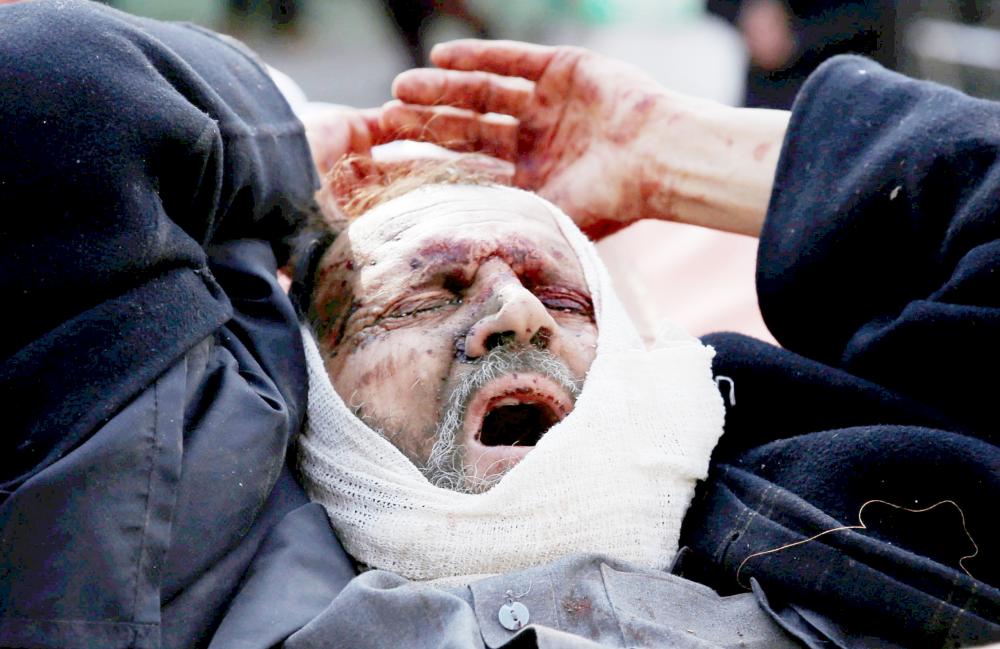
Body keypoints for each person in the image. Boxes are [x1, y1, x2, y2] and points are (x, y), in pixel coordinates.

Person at [1, 2, 997, 648]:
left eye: (565, 297)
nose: (515, 314)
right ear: (312, 387)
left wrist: (669, 154)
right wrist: (295, 168)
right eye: (424, 297)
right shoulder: (157, 578)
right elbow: (47, 95)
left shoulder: (873, 541)